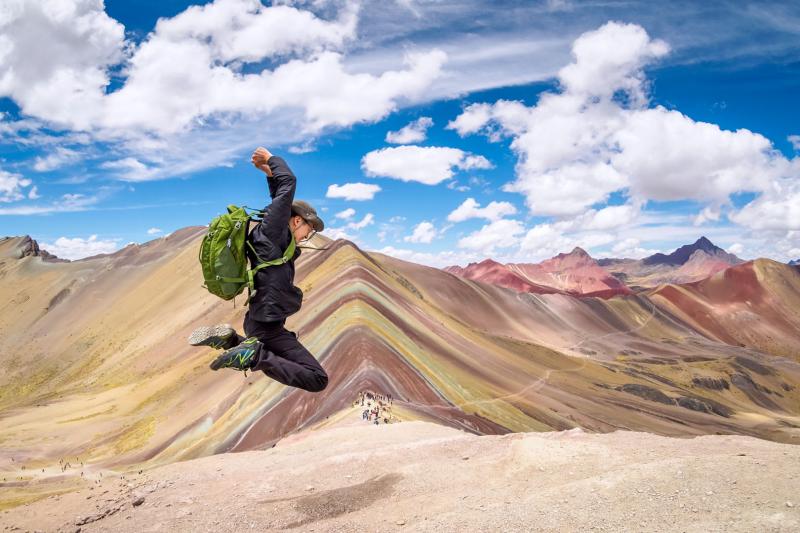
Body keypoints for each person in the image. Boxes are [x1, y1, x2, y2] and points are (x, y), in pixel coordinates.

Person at [188, 147, 328, 393]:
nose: (309, 234)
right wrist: (272, 160)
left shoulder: (271, 234)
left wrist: (268, 173)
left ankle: (231, 341)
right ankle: (250, 355)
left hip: (260, 320)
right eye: (310, 227)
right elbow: (288, 185)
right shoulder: (274, 231)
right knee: (317, 379)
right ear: (297, 220)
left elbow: (279, 198)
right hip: (267, 323)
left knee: (271, 353)